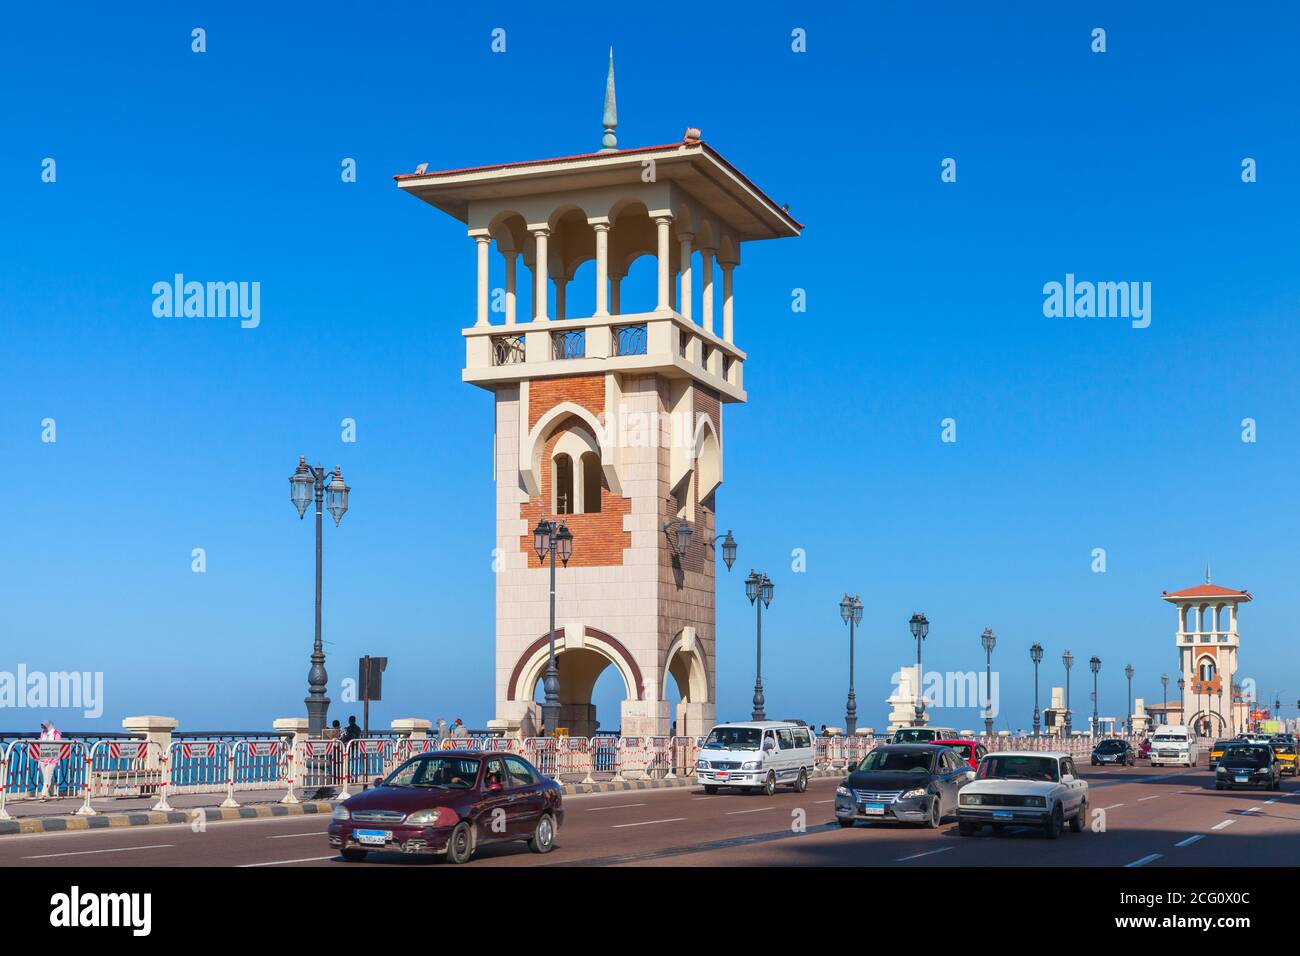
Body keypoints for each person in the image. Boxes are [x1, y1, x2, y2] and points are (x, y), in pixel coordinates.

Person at [37, 721, 61, 801]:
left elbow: (57, 746)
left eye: (45, 726)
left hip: (52, 759)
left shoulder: (56, 733)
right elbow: (40, 744)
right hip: (43, 758)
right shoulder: (42, 733)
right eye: (42, 727)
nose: (43, 728)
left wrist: (52, 757)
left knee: (47, 777)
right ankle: (54, 792)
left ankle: (44, 794)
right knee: (46, 777)